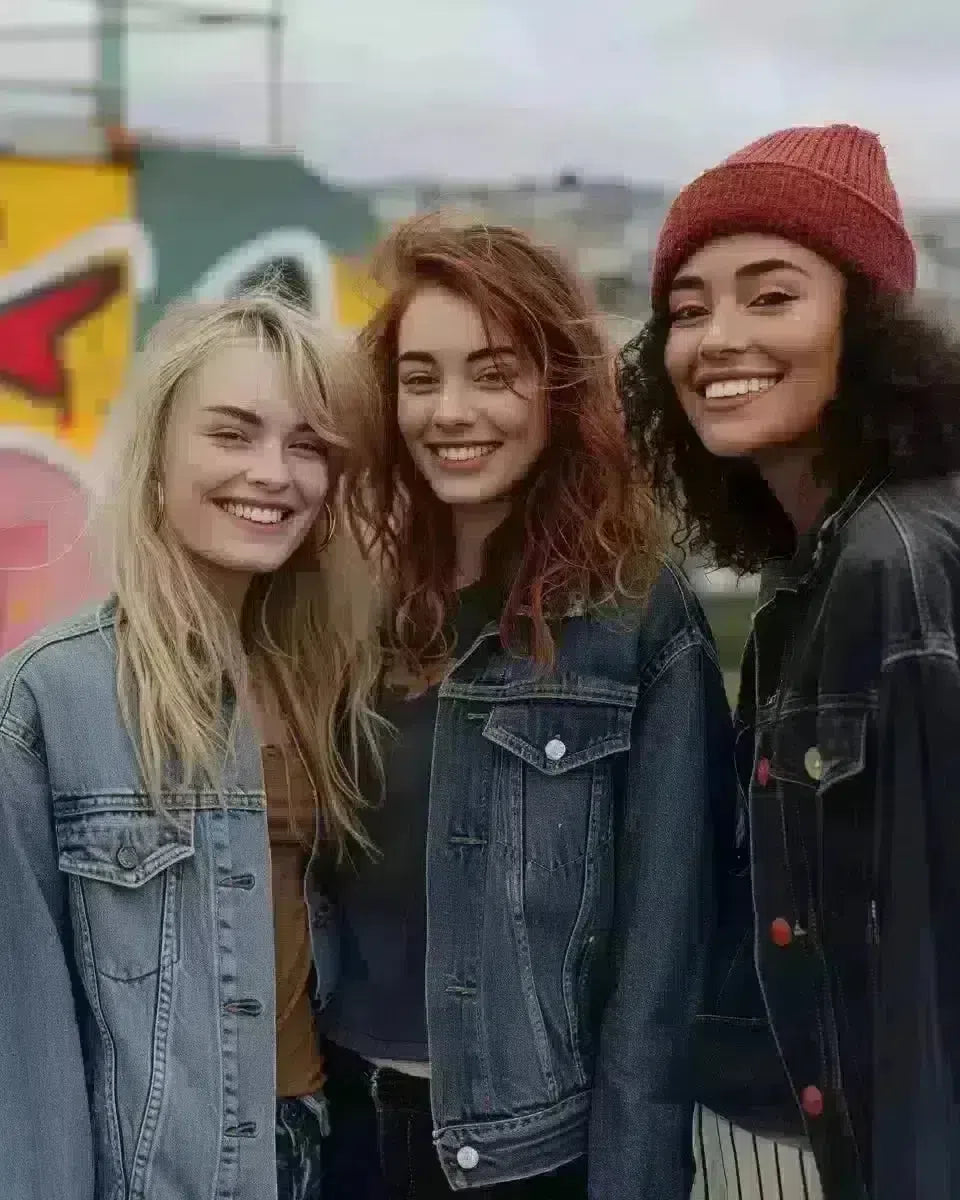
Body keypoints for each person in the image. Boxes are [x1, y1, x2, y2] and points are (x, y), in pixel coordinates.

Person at [316, 217, 737, 1200]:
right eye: (420, 379)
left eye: (492, 373)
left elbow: (660, 967)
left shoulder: (632, 615)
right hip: (337, 1132)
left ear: (556, 391)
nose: (450, 411)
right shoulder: (346, 599)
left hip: (531, 1159)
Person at [619, 122, 960, 1199]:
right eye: (688, 307)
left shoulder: (887, 567)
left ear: (867, 330)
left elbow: (925, 983)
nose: (717, 338)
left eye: (771, 296)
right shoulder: (827, 557)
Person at [0, 293, 384, 1200]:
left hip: (327, 1150)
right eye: (233, 434)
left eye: (307, 447)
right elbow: (22, 1039)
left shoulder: (329, 680)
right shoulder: (49, 698)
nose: (274, 474)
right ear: (160, 455)